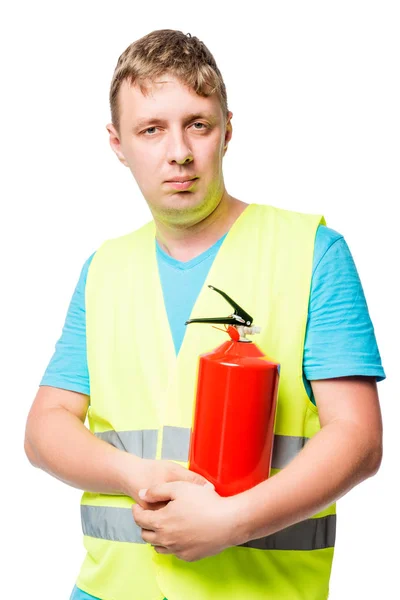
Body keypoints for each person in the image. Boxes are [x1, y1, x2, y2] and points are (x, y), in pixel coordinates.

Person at [24, 29, 385, 600]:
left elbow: (359, 439)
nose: (179, 152)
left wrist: (233, 521)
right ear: (117, 144)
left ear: (228, 130)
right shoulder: (104, 269)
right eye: (151, 129)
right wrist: (133, 475)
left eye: (198, 123)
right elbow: (45, 430)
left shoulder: (311, 252)